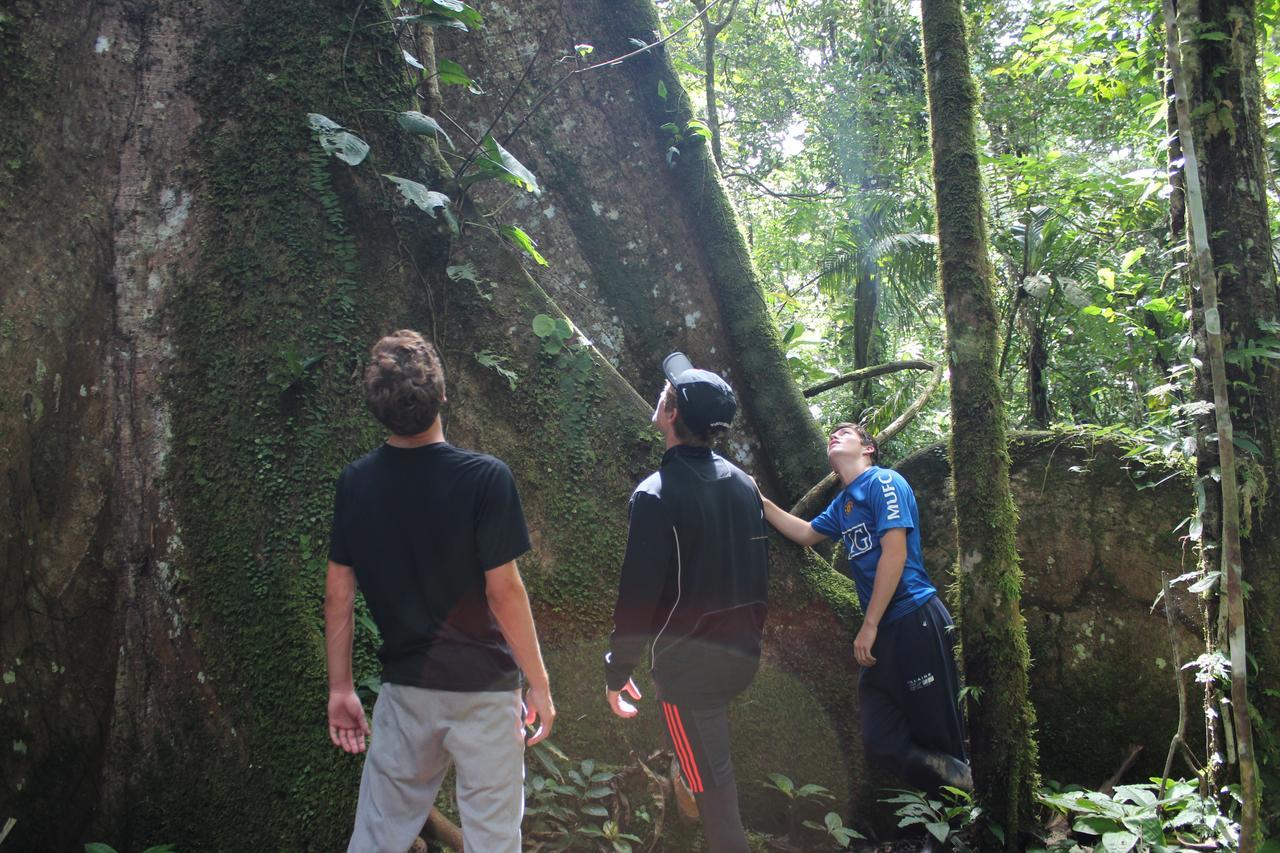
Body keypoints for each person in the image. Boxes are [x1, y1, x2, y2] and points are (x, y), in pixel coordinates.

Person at [325, 329, 554, 853]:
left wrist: (340, 689)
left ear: (377, 409)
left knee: (378, 837)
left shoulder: (355, 483)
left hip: (407, 692)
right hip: (487, 690)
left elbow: (338, 594)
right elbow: (505, 593)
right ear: (444, 395)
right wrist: (538, 682)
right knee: (494, 841)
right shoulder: (485, 479)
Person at [604, 352, 769, 853]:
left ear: (671, 414)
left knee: (713, 792)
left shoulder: (656, 495)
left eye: (665, 393)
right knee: (708, 770)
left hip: (688, 673)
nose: (659, 395)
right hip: (738, 656)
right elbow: (760, 578)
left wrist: (618, 670)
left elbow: (637, 598)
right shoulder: (745, 486)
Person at [760, 423, 970, 792]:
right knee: (878, 736)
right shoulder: (844, 504)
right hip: (884, 629)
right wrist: (757, 501)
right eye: (832, 434)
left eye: (845, 432)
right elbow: (806, 533)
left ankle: (948, 829)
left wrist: (869, 624)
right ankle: (960, 780)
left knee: (937, 730)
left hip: (913, 616)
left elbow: (895, 551)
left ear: (868, 447)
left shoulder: (883, 482)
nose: (834, 436)